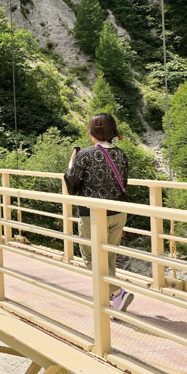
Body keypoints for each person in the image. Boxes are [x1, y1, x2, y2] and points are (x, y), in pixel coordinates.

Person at [64, 113, 134, 312]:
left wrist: (72, 162)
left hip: (93, 215)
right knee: (108, 257)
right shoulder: (121, 154)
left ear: (92, 132)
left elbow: (72, 184)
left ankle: (117, 292)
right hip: (118, 213)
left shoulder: (85, 155)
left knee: (90, 256)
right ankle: (113, 302)